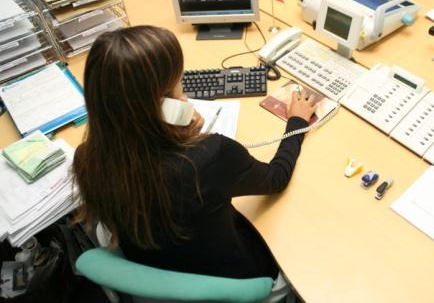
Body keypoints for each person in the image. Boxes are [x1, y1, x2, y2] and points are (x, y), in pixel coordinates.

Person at [72, 25, 316, 281]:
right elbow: (276, 178)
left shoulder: (88, 157)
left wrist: (182, 133)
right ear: (163, 105)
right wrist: (297, 122)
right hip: (233, 278)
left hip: (156, 269)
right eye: (179, 83)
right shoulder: (211, 156)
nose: (184, 91)